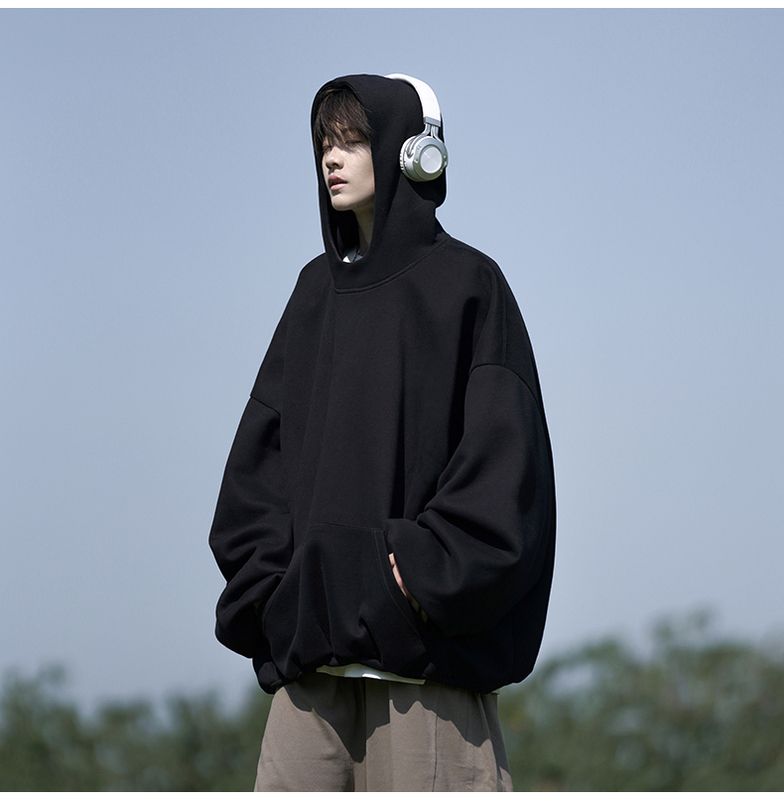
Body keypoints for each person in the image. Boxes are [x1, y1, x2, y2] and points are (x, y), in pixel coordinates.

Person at [209, 73, 556, 792]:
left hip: (426, 679)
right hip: (310, 683)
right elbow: (254, 477)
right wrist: (279, 597)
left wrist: (413, 577)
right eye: (323, 144)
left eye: (352, 141)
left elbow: (506, 475)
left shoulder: (470, 285)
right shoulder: (312, 293)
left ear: (411, 152)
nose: (331, 159)